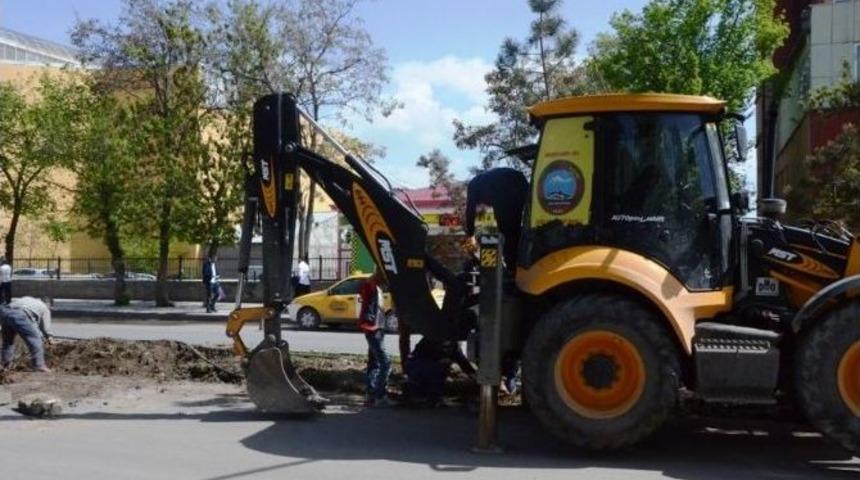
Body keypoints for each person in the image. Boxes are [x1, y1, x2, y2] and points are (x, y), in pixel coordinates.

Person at [464, 167, 529, 271]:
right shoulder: (477, 184)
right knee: (511, 234)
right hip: (516, 183)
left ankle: (497, 273)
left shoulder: (476, 185)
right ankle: (511, 270)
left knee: (491, 237)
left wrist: (472, 250)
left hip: (499, 189)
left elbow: (470, 220)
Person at [358, 269, 394, 407]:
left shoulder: (376, 288)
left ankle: (371, 394)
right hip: (373, 329)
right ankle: (379, 395)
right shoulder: (371, 286)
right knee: (386, 363)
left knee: (375, 363)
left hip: (376, 328)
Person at [0, 303, 50, 372]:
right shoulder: (44, 308)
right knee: (35, 338)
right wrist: (49, 336)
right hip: (19, 314)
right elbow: (45, 328)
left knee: (8, 342)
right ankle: (39, 365)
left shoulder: (27, 300)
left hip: (5, 313)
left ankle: (5, 365)